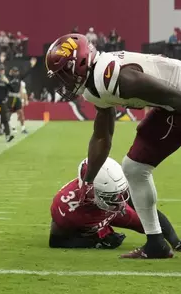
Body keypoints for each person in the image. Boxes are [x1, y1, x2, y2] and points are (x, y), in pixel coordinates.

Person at [45, 33, 181, 258]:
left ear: (79, 62)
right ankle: (156, 243)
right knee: (135, 168)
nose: (63, 81)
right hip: (169, 104)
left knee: (136, 168)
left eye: (63, 74)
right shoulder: (94, 85)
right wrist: (88, 182)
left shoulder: (114, 78)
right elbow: (102, 135)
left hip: (176, 98)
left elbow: (171, 94)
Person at [49, 157, 181, 251]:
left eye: (120, 193)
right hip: (89, 217)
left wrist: (176, 242)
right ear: (90, 191)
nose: (119, 201)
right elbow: (56, 241)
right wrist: (96, 242)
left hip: (103, 211)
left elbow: (151, 215)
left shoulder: (114, 189)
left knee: (150, 224)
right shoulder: (68, 209)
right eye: (111, 196)